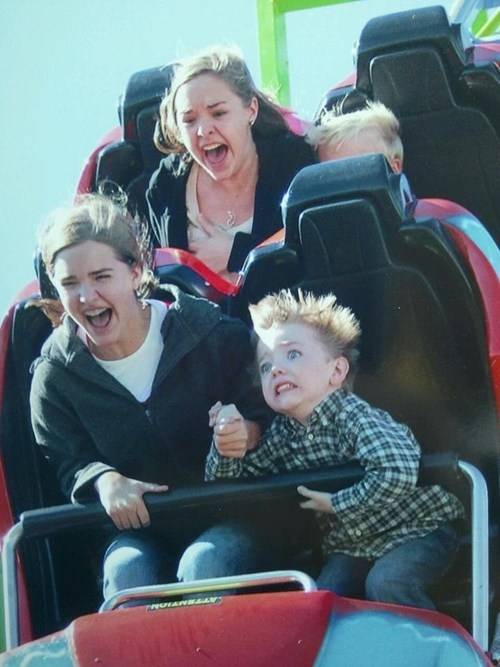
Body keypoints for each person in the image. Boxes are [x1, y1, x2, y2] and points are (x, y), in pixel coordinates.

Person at [30, 193, 271, 603]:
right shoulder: (54, 378)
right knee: (126, 572)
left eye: (101, 277)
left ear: (136, 271)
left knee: (204, 564)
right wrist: (103, 480)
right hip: (140, 532)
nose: (86, 296)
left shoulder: (212, 335)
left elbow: (272, 412)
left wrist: (248, 431)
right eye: (70, 284)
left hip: (232, 516)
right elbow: (70, 461)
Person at [205, 289, 465, 610]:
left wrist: (337, 503)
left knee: (387, 581)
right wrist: (226, 442)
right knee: (324, 597)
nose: (276, 369)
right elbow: (229, 482)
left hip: (418, 528)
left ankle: (423, 642)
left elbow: (397, 471)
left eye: (292, 354)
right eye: (265, 366)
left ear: (337, 372)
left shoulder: (355, 417)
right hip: (353, 545)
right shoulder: (281, 436)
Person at [146, 46, 316, 282]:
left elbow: (312, 255)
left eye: (218, 113)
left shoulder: (293, 163)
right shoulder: (165, 186)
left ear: (251, 110)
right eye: (189, 120)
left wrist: (237, 252)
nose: (203, 130)